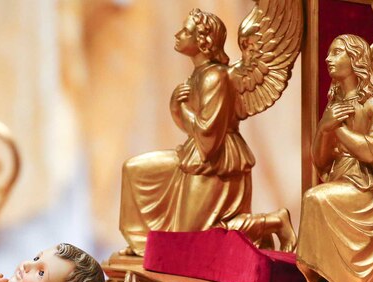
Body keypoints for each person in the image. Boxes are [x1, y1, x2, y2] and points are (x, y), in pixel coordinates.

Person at [118, 8, 296, 256]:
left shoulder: (216, 78)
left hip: (217, 164)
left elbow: (208, 136)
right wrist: (176, 108)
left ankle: (272, 221)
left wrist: (182, 109)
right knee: (134, 169)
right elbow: (194, 131)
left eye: (186, 31)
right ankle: (143, 243)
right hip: (196, 156)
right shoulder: (199, 75)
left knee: (195, 238)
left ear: (203, 41)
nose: (178, 35)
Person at [297, 34, 373, 282]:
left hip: (372, 190)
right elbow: (320, 160)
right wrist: (324, 129)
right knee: (316, 197)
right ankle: (330, 276)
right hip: (344, 179)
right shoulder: (336, 102)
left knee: (315, 198)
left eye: (337, 53)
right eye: (329, 53)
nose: (328, 59)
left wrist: (336, 129)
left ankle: (335, 280)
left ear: (356, 58)